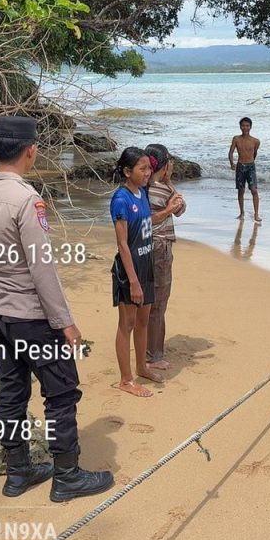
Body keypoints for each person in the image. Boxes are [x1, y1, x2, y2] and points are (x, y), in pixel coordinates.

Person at [0, 115, 113, 503]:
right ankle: (67, 476)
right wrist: (65, 323)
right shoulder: (28, 200)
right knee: (61, 394)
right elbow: (41, 267)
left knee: (11, 394)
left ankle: (18, 473)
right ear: (30, 150)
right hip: (32, 316)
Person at [111, 147, 166, 397]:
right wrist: (132, 281)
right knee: (128, 323)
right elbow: (122, 244)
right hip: (128, 269)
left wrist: (168, 210)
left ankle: (142, 366)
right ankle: (125, 380)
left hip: (146, 263)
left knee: (144, 320)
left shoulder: (142, 192)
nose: (147, 173)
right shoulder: (121, 199)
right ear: (127, 171)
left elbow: (147, 222)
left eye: (148, 168)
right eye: (142, 169)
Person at [144, 144, 186, 370]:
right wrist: (169, 182)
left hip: (147, 246)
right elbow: (181, 208)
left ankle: (149, 349)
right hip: (160, 247)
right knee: (159, 303)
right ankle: (154, 355)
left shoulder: (143, 188)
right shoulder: (162, 189)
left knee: (148, 302)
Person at [228, 117, 261, 222]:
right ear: (240, 127)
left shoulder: (256, 141)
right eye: (243, 125)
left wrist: (251, 161)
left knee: (254, 190)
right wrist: (232, 163)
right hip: (240, 166)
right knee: (241, 191)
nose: (245, 128)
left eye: (247, 126)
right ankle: (242, 212)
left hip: (251, 167)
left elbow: (254, 153)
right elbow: (231, 152)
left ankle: (256, 214)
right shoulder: (236, 139)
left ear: (250, 127)